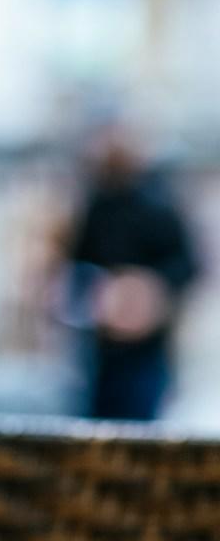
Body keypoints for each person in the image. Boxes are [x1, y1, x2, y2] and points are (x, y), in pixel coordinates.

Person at [62, 123, 203, 420]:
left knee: (139, 417)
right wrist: (102, 293)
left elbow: (187, 266)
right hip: (102, 342)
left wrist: (148, 291)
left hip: (146, 346)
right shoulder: (97, 208)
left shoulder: (159, 207)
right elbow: (76, 265)